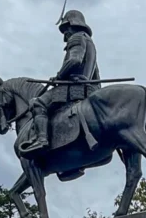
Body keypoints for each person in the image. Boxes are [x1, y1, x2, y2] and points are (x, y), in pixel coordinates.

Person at [20, 9, 101, 155]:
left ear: (72, 25)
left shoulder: (76, 38)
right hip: (88, 87)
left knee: (38, 103)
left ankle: (41, 139)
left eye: (65, 30)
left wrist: (59, 76)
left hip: (73, 87)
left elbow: (75, 60)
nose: (65, 36)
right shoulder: (90, 42)